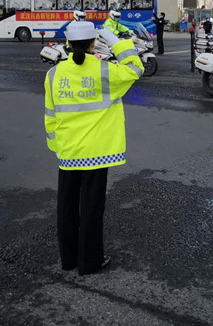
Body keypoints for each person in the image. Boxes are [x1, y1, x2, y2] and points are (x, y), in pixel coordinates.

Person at [44, 21, 144, 275]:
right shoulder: (105, 70)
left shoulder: (54, 74)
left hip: (68, 152)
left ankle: (69, 259)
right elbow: (135, 67)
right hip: (98, 153)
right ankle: (90, 262)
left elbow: (50, 115)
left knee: (66, 207)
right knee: (91, 208)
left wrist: (57, 146)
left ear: (67, 44)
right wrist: (116, 41)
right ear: (93, 44)